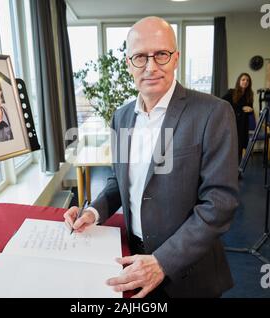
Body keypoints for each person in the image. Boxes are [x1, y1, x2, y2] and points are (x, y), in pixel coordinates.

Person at [64, 16, 239, 298]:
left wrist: (162, 262)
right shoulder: (121, 117)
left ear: (176, 58)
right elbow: (118, 182)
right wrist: (93, 212)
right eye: (140, 57)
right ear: (128, 64)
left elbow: (220, 203)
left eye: (161, 54)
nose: (151, 67)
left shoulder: (213, 113)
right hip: (133, 260)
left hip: (189, 273)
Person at [222, 73, 254, 162]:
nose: (245, 82)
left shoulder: (250, 94)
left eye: (247, 80)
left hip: (244, 124)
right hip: (233, 123)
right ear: (239, 81)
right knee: (233, 147)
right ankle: (230, 170)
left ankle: (237, 171)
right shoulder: (232, 92)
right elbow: (223, 104)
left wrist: (251, 110)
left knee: (240, 147)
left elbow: (250, 110)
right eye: (243, 79)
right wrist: (242, 108)